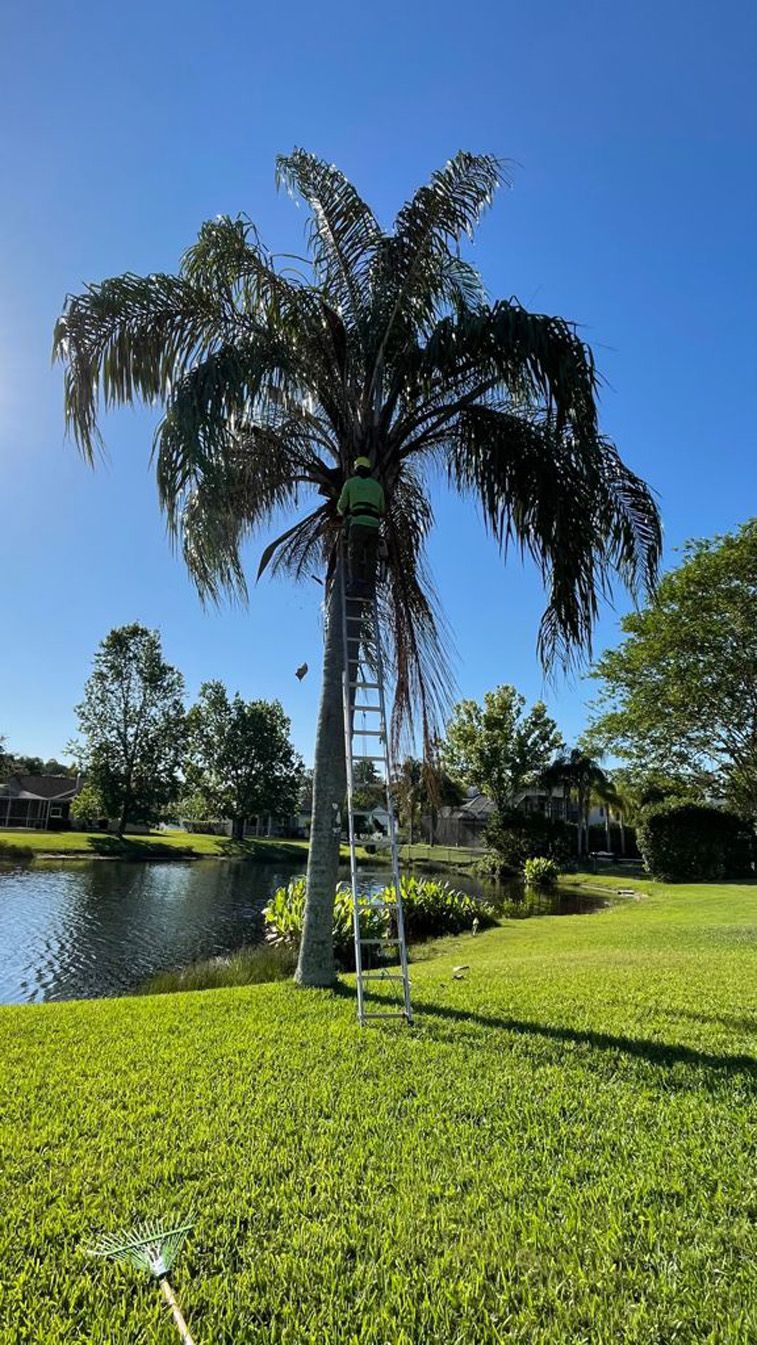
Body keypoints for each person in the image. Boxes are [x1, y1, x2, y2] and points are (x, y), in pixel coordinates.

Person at [337, 456, 386, 595]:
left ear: (356, 469)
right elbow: (382, 509)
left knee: (355, 554)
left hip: (357, 523)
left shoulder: (350, 483)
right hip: (374, 525)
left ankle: (355, 584)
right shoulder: (377, 487)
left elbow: (341, 506)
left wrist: (344, 514)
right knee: (371, 557)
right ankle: (369, 587)